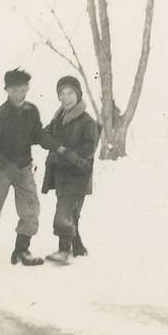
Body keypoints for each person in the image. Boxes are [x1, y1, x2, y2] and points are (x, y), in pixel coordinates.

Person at [0, 68, 63, 268]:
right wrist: (6, 166)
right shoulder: (0, 114)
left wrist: (56, 145)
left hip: (23, 168)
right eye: (16, 90)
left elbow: (37, 135)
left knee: (31, 207)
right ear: (7, 90)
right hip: (0, 168)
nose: (20, 94)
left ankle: (21, 250)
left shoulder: (31, 111)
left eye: (24, 89)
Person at [41, 75, 99, 264]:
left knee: (63, 213)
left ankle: (63, 251)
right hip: (61, 175)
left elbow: (88, 152)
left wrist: (61, 151)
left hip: (77, 175)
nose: (66, 98)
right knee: (71, 212)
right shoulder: (59, 117)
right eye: (62, 94)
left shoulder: (87, 122)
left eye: (70, 93)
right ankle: (79, 248)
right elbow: (45, 135)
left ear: (78, 95)